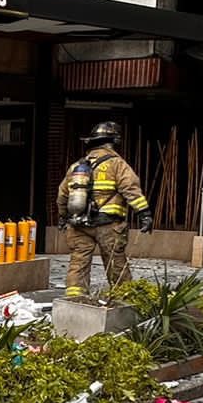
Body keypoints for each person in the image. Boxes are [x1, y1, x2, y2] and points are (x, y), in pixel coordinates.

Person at [55, 120, 153, 298]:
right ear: (112, 143)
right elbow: (131, 189)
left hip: (78, 224)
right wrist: (144, 214)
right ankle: (124, 299)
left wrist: (62, 217)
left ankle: (75, 299)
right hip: (108, 224)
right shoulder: (117, 164)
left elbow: (62, 195)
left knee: (78, 263)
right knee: (115, 263)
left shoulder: (76, 167)